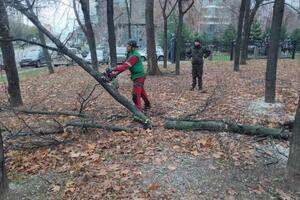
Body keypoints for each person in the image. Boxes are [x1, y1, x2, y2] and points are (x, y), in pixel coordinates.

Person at [108, 39, 151, 112]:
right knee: (141, 92)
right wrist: (114, 74)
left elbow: (125, 66)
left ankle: (139, 112)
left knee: (135, 94)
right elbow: (124, 66)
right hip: (137, 76)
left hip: (139, 76)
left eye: (128, 46)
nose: (127, 47)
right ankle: (147, 105)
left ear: (133, 47)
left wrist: (112, 69)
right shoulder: (130, 54)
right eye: (127, 46)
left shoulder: (134, 56)